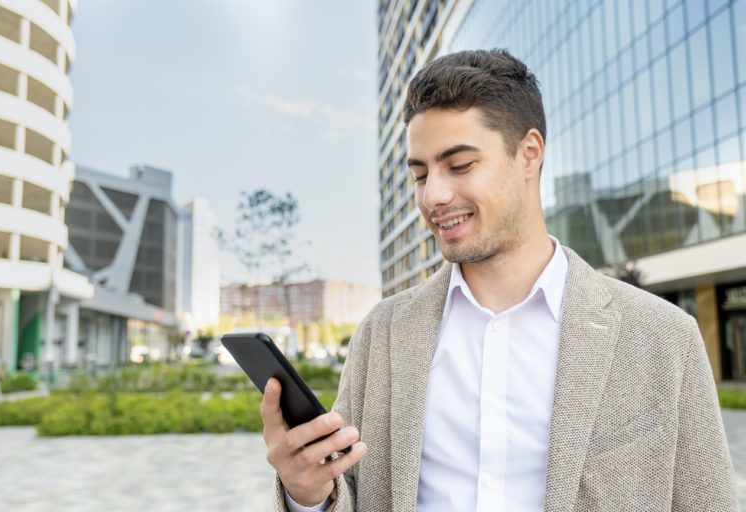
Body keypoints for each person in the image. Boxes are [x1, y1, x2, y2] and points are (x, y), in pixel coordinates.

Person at [260, 49, 739, 511]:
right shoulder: (382, 333)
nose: (434, 196)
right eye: (421, 174)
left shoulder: (663, 337)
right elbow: (349, 492)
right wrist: (309, 495)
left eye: (460, 165)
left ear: (529, 154)